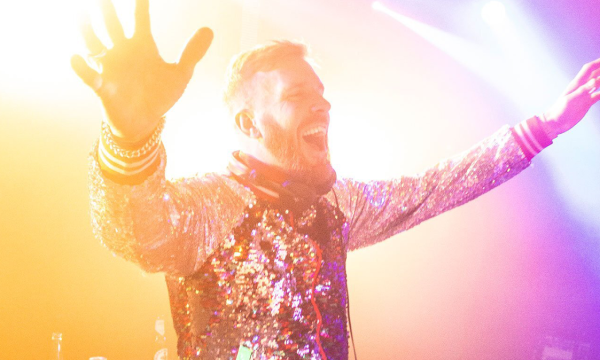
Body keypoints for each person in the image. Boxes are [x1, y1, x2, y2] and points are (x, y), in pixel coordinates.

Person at [72, 0, 600, 359]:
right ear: (248, 123)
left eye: (322, 93)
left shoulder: (336, 206)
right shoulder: (210, 206)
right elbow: (132, 229)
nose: (321, 103)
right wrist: (129, 136)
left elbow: (437, 187)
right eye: (298, 95)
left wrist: (545, 127)